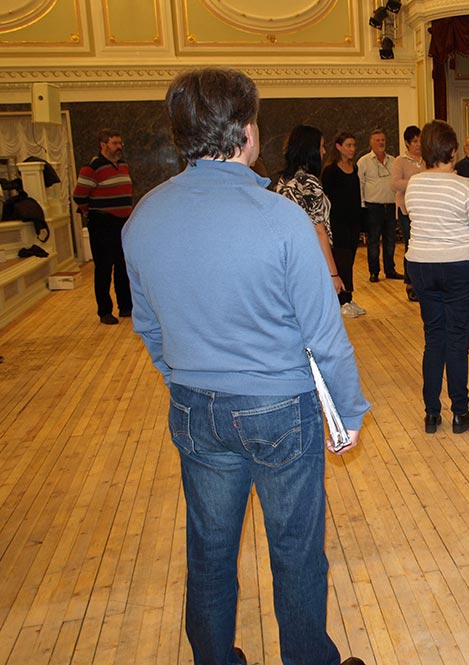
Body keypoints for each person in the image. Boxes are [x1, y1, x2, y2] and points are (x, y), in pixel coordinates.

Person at [122, 67, 370, 665]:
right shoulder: (282, 218)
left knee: (208, 550)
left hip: (193, 407)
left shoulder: (143, 218)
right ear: (248, 131)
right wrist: (350, 408)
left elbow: (150, 328)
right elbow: (324, 334)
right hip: (280, 411)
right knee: (296, 550)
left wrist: (185, 379)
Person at [405, 119, 469, 435]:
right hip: (460, 267)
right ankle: (460, 412)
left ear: (425, 151)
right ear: (454, 151)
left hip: (421, 266)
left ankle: (432, 414)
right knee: (457, 341)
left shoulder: (414, 184)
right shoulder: (465, 187)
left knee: (434, 339)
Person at [276, 124, 345, 297]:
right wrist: (333, 274)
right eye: (321, 146)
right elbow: (319, 231)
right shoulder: (308, 182)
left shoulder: (285, 179)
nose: (323, 152)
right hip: (310, 260)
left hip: (290, 259)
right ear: (310, 150)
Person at [73, 128, 132, 325]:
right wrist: (93, 213)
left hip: (122, 223)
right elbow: (79, 195)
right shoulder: (92, 167)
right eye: (115, 143)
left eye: (120, 143)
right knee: (104, 268)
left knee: (123, 266)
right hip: (103, 223)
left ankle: (126, 307)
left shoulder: (123, 164)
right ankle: (104, 311)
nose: (119, 147)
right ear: (103, 144)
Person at [322, 131, 366, 318]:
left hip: (353, 222)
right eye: (348, 145)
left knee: (350, 261)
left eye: (353, 145)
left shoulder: (354, 168)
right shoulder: (331, 171)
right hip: (338, 223)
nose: (352, 149)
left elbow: (356, 196)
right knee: (341, 262)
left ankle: (348, 297)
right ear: (339, 147)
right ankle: (341, 301)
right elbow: (328, 200)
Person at [357, 128, 401, 282]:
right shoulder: (363, 161)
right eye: (377, 140)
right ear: (371, 142)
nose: (381, 142)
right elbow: (360, 184)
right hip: (372, 207)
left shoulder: (394, 160)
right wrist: (362, 205)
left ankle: (390, 270)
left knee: (390, 240)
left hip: (390, 206)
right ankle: (374, 272)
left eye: (383, 140)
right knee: (373, 241)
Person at [391, 124, 424, 302]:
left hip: (426, 210)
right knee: (410, 246)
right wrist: (416, 182)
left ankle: (423, 281)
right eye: (414, 141)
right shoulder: (400, 161)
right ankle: (410, 283)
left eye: (420, 141)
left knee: (424, 246)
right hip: (406, 209)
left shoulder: (427, 159)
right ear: (407, 143)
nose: (418, 144)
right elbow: (395, 184)